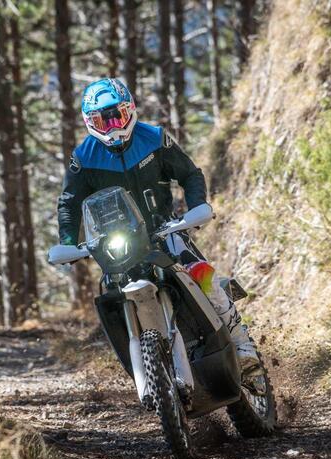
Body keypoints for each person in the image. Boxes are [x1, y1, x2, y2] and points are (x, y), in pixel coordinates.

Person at [56, 78, 260, 374]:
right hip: (119, 243)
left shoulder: (154, 138)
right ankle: (147, 366)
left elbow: (190, 174)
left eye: (117, 115)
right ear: (90, 122)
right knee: (110, 293)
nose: (112, 125)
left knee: (201, 273)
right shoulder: (83, 157)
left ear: (130, 110)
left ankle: (242, 343)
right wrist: (67, 241)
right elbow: (69, 202)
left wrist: (197, 205)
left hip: (164, 229)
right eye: (103, 119)